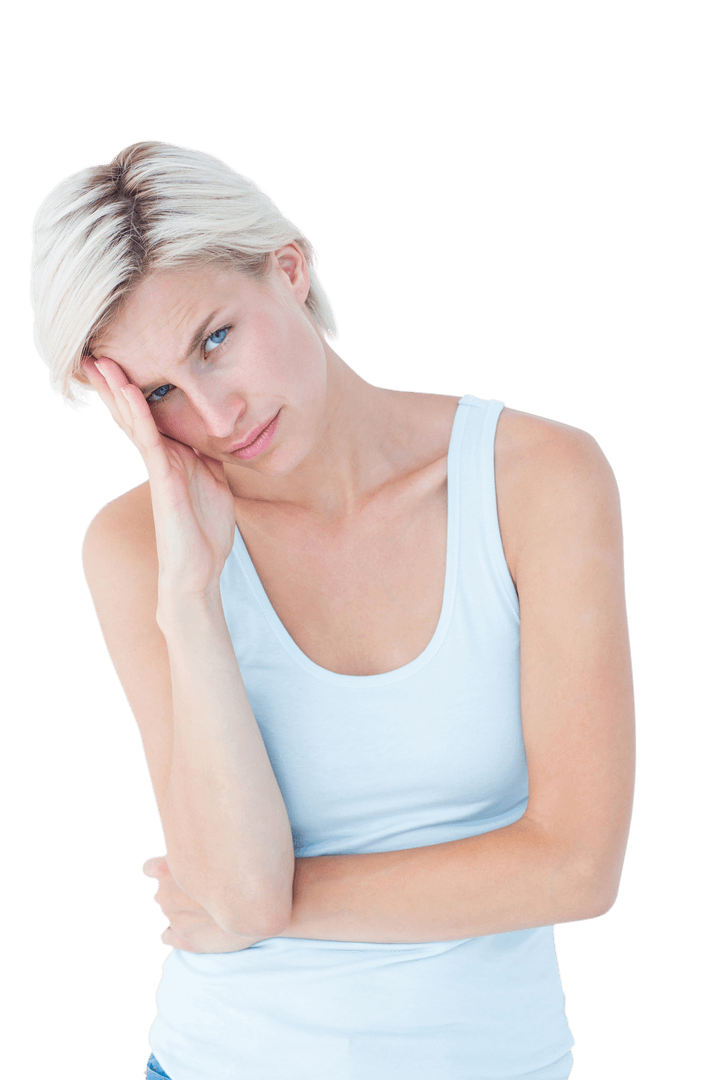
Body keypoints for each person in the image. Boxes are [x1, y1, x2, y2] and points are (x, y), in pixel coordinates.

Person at [29, 139, 636, 1080]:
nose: (215, 415)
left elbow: (576, 868)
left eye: (214, 339)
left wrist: (271, 906)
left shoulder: (537, 478)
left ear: (290, 267)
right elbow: (230, 879)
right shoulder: (138, 546)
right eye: (158, 393)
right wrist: (192, 595)